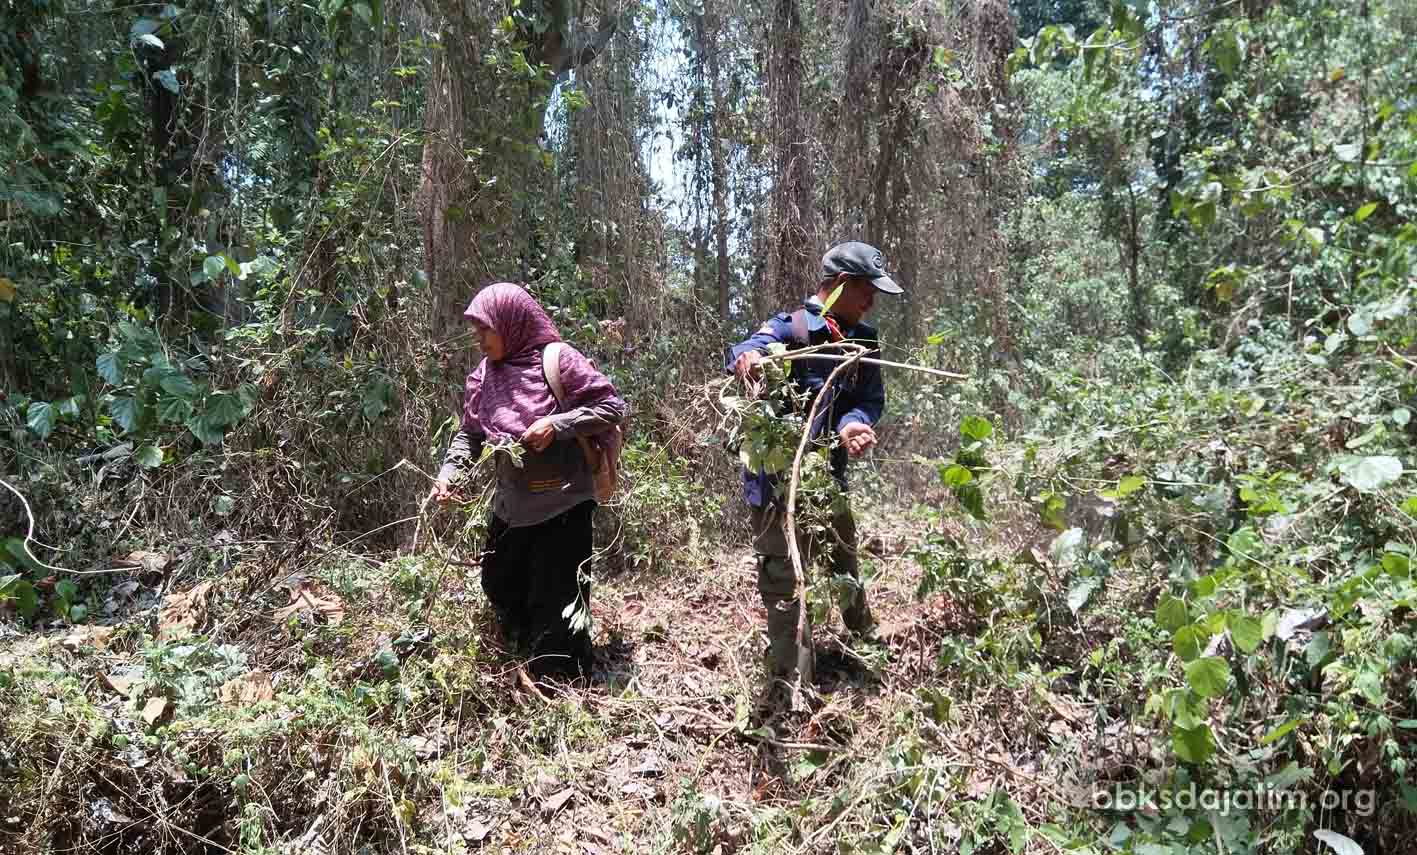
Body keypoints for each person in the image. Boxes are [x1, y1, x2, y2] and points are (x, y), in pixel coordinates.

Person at [727, 241, 904, 689]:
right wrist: (748, 358)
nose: (871, 301)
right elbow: (750, 347)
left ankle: (866, 643)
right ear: (842, 284)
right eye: (867, 290)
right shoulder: (793, 330)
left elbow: (869, 399)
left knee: (844, 560)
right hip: (775, 486)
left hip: (829, 480)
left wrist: (852, 424)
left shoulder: (864, 342)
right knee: (785, 583)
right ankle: (791, 685)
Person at [430, 282, 627, 680]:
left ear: (512, 323)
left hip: (564, 503)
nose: (480, 339)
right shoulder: (484, 376)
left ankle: (559, 681)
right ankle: (520, 654)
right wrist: (449, 474)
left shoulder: (558, 361)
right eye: (476, 331)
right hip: (512, 504)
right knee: (498, 581)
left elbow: (611, 407)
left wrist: (557, 425)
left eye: (486, 329)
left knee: (557, 596)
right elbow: (470, 433)